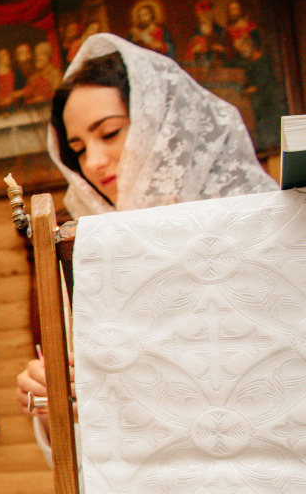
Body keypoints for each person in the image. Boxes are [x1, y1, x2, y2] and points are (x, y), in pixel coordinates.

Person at [14, 33, 277, 440]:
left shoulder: (268, 230)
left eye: (111, 132)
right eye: (79, 148)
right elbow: (95, 434)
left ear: (164, 125)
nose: (94, 163)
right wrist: (49, 402)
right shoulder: (87, 251)